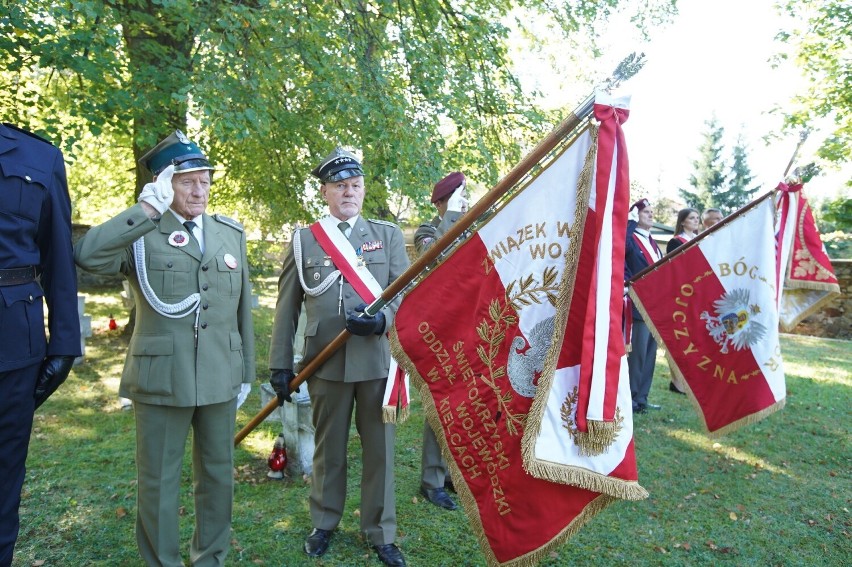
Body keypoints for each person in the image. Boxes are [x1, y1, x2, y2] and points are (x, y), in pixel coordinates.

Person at [74, 130, 256, 567]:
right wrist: (144, 210)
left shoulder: (229, 233)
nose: (199, 190)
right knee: (158, 480)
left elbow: (242, 309)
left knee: (217, 477)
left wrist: (246, 370)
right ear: (163, 184)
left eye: (205, 181)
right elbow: (86, 256)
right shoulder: (141, 230)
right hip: (161, 377)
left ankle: (209, 558)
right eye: (186, 181)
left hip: (219, 375)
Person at [268, 147, 409, 566]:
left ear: (363, 190)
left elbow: (405, 297)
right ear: (325, 192)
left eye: (355, 185)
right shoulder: (305, 239)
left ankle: (381, 531)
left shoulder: (387, 235)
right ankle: (324, 523)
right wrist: (280, 363)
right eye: (339, 186)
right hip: (323, 363)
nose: (348, 192)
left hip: (375, 363)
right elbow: (286, 307)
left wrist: (381, 321)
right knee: (329, 450)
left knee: (379, 451)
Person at [0, 123, 82, 567]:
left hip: (14, 346)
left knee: (4, 480)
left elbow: (57, 256)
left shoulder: (39, 157)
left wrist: (64, 343)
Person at [412, 172, 469, 511]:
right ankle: (432, 480)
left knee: (466, 404)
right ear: (439, 203)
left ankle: (453, 472)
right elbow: (432, 261)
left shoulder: (473, 230)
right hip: (439, 331)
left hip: (470, 328)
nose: (465, 203)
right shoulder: (429, 230)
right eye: (458, 197)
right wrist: (451, 218)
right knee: (441, 404)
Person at [624, 198, 663, 414]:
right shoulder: (631, 238)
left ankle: (642, 398)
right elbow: (621, 257)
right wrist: (629, 221)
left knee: (650, 354)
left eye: (651, 211)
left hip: (654, 305)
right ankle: (629, 397)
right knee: (637, 355)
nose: (650, 215)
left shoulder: (652, 241)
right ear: (635, 216)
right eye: (645, 212)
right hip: (638, 304)